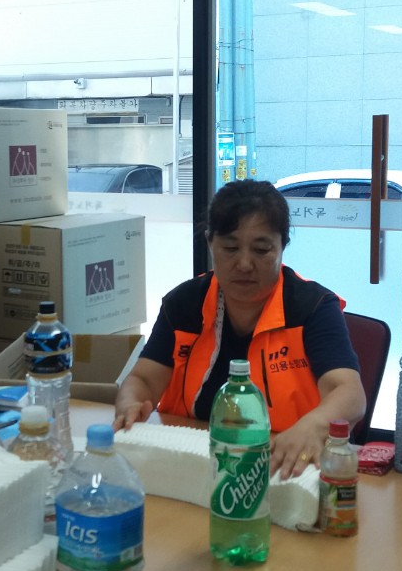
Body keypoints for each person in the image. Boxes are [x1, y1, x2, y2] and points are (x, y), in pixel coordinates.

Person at [113, 179, 366, 480]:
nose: (244, 264)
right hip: (194, 465)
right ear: (210, 243)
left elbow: (349, 393)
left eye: (261, 250)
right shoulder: (184, 305)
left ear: (282, 246)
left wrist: (313, 427)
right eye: (230, 248)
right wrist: (130, 402)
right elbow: (143, 379)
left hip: (286, 470)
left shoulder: (311, 307)